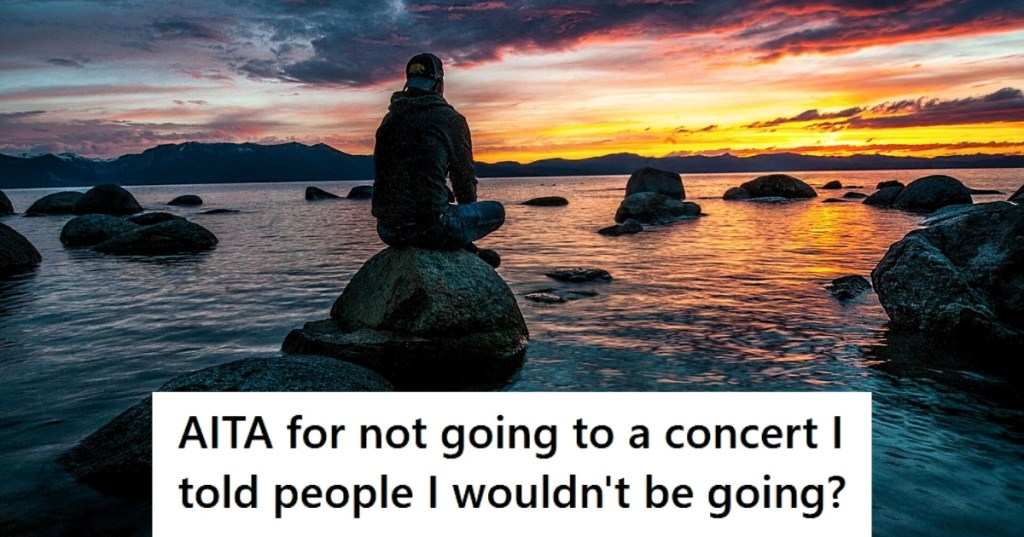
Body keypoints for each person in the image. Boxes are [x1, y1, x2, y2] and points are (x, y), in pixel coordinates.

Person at [372, 52, 505, 268]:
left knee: (440, 200)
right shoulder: (450, 119)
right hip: (433, 227)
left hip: (387, 230)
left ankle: (462, 245)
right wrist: (464, 228)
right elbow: (464, 180)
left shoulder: (389, 120)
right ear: (439, 83)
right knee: (497, 211)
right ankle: (465, 247)